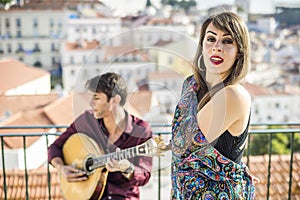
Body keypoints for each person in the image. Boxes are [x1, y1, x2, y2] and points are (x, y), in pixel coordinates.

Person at [169, 12, 258, 199]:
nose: (217, 47)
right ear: (202, 45)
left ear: (239, 51)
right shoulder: (191, 85)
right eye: (211, 39)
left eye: (227, 41)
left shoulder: (233, 95)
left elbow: (185, 144)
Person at [48, 72, 153, 200]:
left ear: (115, 100)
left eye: (96, 98)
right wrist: (61, 168)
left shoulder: (141, 130)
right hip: (86, 195)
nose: (91, 103)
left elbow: (144, 176)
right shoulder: (86, 121)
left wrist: (127, 168)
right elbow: (54, 147)